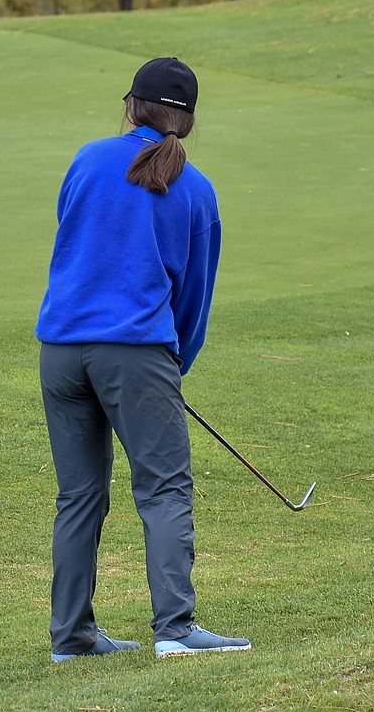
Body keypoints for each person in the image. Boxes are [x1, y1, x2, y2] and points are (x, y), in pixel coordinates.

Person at [36, 57, 251, 661]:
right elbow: (194, 300)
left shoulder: (85, 159)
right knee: (163, 490)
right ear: (186, 122)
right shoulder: (198, 190)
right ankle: (176, 630)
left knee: (79, 495)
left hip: (60, 352)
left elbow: (71, 245)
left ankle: (72, 637)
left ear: (131, 106)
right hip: (136, 353)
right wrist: (169, 365)